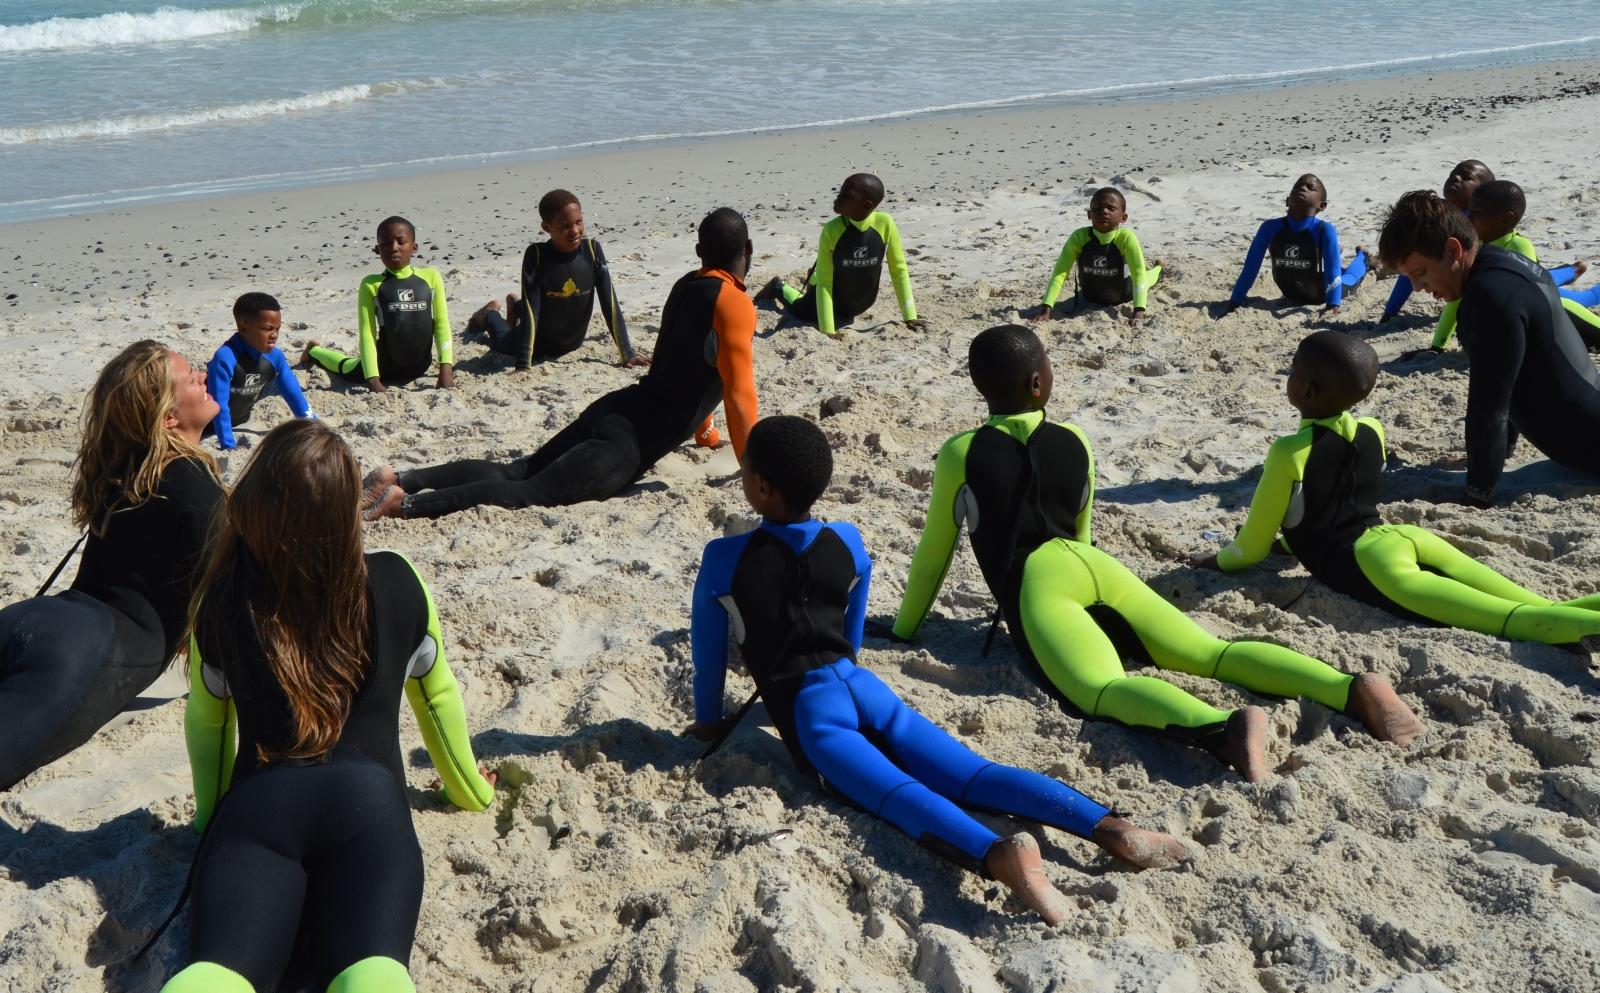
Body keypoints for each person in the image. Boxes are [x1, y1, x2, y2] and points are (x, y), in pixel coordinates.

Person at [686, 416, 1189, 925]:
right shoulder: (847, 540)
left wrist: (708, 723)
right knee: (973, 773)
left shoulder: (723, 559)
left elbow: (707, 662)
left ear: (761, 487)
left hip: (813, 711)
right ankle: (1110, 826)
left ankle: (999, 854)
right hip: (863, 687)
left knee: (898, 794)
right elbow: (852, 627)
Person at [884, 325, 1423, 782]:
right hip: (1097, 569)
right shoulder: (1075, 440)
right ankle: (1350, 688)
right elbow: (1084, 531)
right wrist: (1100, 611)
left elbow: (935, 554)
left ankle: (1224, 729)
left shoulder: (961, 451)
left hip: (1037, 583)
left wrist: (906, 630)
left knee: (1102, 688)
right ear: (1037, 383)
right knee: (1213, 652)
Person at [161, 419, 496, 993]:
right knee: (374, 972)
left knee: (217, 974)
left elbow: (208, 728)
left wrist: (207, 822)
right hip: (369, 810)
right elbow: (439, 704)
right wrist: (471, 790)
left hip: (258, 811)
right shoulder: (397, 581)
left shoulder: (219, 597)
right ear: (348, 511)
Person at [1198, 330, 1600, 648]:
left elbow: (1249, 548)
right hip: (1402, 537)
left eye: (1293, 371)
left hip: (1373, 564)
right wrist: (1288, 545)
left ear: (1306, 391)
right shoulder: (1373, 431)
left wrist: (1215, 561)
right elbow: (1329, 504)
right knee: (1542, 604)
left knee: (1513, 621)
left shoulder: (1289, 452)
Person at [363, 207, 759, 520]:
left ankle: (399, 478)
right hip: (626, 445)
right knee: (530, 492)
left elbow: (684, 362)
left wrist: (705, 432)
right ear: (749, 251)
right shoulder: (735, 302)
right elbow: (739, 393)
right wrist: (752, 470)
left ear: (698, 253)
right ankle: (406, 504)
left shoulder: (687, 284)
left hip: (618, 407)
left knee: (519, 470)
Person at [0, 340, 222, 790]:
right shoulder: (197, 489)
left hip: (38, 616)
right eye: (189, 377)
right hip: (97, 648)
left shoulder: (123, 468)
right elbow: (227, 592)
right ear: (168, 418)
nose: (202, 375)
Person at [1378, 190, 1600, 506]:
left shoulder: (1488, 301)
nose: (1418, 289)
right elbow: (1516, 374)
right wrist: (1504, 453)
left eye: (1421, 273)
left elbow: (1489, 411)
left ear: (1453, 250)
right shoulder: (1507, 264)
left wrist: (1478, 492)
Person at [466, 189, 646, 369]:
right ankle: (488, 313)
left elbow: (610, 305)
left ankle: (515, 305)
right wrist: (523, 365)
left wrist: (628, 355)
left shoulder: (592, 251)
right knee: (501, 337)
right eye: (565, 226)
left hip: (572, 343)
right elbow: (532, 312)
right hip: (537, 345)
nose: (575, 231)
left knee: (546, 301)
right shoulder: (536, 256)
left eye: (579, 222)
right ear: (546, 227)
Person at [1418, 180, 1597, 352]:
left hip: (1545, 294)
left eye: (1476, 213)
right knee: (1552, 278)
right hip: (1539, 280)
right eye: (1468, 211)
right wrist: (1437, 347)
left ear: (1505, 219)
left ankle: (1573, 271)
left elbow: (1527, 298)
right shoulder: (1472, 248)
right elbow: (1456, 301)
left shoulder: (1519, 246)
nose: (1468, 218)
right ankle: (1572, 270)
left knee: (1582, 298)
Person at [754, 173, 927, 336]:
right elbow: (826, 285)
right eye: (840, 192)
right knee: (802, 310)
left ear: (866, 205)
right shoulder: (831, 229)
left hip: (861, 303)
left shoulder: (885, 223)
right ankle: (777, 287)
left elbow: (899, 271)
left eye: (846, 195)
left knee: (824, 281)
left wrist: (909, 316)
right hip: (831, 300)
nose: (837, 198)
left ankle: (812, 278)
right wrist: (828, 329)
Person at [300, 215, 456, 392]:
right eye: (386, 244)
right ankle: (314, 351)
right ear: (377, 250)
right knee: (346, 367)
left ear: (414, 247)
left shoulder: (431, 277)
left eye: (401, 241)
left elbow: (442, 324)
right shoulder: (371, 285)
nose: (394, 248)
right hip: (383, 367)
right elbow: (367, 334)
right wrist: (373, 380)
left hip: (421, 366)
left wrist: (446, 369)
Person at [1221, 174, 1366, 316]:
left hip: (1321, 294)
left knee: (1350, 278)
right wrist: (1235, 300)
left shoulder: (1324, 230)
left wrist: (1333, 304)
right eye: (1297, 186)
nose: (1302, 188)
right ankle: (1333, 251)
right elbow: (1250, 267)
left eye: (1310, 187)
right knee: (1325, 258)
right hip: (1290, 293)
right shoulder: (1269, 228)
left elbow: (1333, 272)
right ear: (1287, 200)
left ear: (1322, 206)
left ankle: (1363, 257)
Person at [1031, 187, 1162, 327]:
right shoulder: (1079, 237)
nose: (1104, 211)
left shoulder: (1126, 238)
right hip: (1089, 296)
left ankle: (1159, 268)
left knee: (1147, 279)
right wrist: (1045, 309)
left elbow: (1138, 276)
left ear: (1123, 217)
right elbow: (1060, 273)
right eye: (1097, 208)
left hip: (1124, 294)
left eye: (1111, 208)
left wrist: (1138, 312)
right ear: (1089, 214)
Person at [205, 292, 314, 450]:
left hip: (241, 420)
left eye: (277, 329)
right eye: (267, 329)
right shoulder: (225, 358)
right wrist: (228, 444)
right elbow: (219, 405)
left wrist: (313, 425)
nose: (274, 335)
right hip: (205, 425)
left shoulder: (275, 357)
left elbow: (295, 396)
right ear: (243, 326)